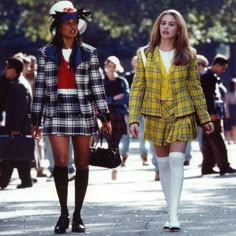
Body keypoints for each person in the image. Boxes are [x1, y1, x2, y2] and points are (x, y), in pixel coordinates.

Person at [129, 9, 214, 231]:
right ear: (158, 27)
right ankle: (170, 210)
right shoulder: (145, 54)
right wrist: (133, 119)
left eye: (171, 24)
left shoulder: (188, 54)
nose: (166, 27)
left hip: (182, 112)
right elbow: (138, 88)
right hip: (155, 113)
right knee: (163, 164)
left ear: (179, 29)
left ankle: (174, 215)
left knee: (177, 161)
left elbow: (195, 89)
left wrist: (205, 118)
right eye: (163, 23)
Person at [31, 1, 111, 234]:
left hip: (83, 109)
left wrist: (104, 116)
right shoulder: (45, 53)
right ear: (59, 26)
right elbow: (40, 89)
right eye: (69, 23)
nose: (73, 26)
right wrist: (36, 120)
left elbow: (97, 85)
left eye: (76, 22)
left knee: (83, 163)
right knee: (62, 162)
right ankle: (63, 214)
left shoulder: (89, 53)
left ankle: (78, 215)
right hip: (56, 111)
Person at [0, 57, 33, 189]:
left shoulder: (19, 85)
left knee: (12, 153)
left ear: (14, 70)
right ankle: (25, 180)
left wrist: (15, 128)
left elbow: (20, 109)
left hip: (18, 126)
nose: (5, 70)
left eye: (7, 67)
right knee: (18, 154)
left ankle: (4, 181)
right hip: (20, 126)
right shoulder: (18, 82)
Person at [200, 54, 236, 176]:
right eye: (223, 67)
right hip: (210, 114)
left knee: (208, 141)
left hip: (209, 113)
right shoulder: (207, 77)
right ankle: (224, 165)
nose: (223, 70)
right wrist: (211, 113)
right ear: (216, 65)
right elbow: (207, 98)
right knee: (217, 140)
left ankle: (207, 166)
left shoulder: (210, 76)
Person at [224, 78, 236, 144]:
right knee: (228, 126)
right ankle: (228, 140)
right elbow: (226, 103)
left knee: (235, 126)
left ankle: (234, 140)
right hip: (230, 109)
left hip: (235, 110)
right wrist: (227, 112)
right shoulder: (228, 93)